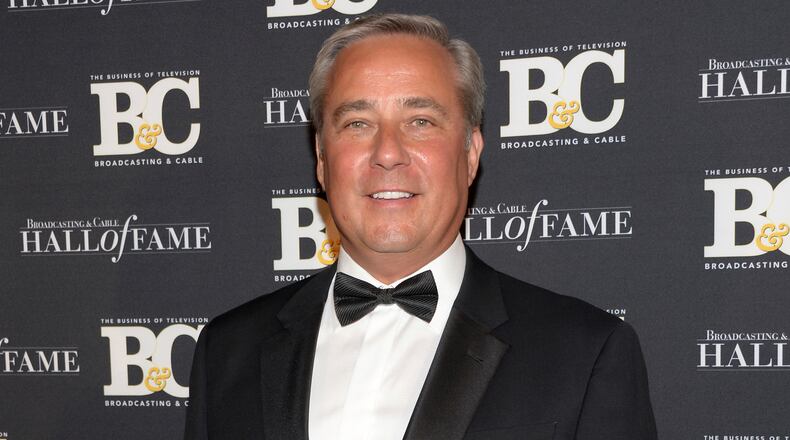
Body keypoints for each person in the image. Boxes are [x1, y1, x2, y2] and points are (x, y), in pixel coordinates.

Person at [184, 13, 657, 440]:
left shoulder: (586, 353)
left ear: (470, 154)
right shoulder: (227, 351)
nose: (387, 152)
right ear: (323, 160)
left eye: (421, 121)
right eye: (357, 124)